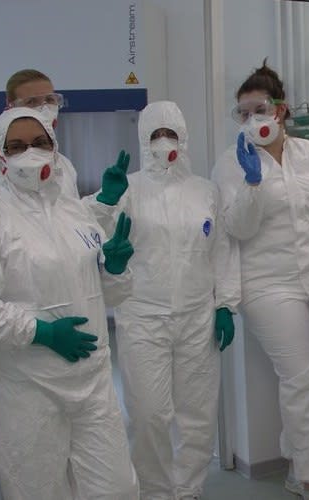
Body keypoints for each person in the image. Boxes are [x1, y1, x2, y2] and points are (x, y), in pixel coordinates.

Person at [0, 107, 138, 499]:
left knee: (116, 489)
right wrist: (39, 332)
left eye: (40, 143)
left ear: (54, 148)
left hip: (92, 381)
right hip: (27, 388)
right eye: (17, 146)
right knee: (38, 491)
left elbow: (109, 294)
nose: (30, 152)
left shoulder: (75, 213)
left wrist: (114, 269)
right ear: (0, 157)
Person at [85, 101, 239, 500]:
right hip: (142, 316)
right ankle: (154, 491)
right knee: (150, 414)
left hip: (197, 317)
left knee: (198, 415)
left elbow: (221, 251)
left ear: (184, 139)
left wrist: (226, 304)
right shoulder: (128, 189)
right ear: (143, 140)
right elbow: (86, 228)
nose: (165, 143)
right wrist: (105, 198)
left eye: (172, 134)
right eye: (156, 135)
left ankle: (188, 489)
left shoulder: (204, 191)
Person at [211, 61, 309, 500]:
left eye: (259, 109)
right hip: (267, 283)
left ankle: (295, 461)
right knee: (302, 377)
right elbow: (238, 230)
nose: (252, 120)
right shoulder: (231, 162)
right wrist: (251, 184)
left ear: (280, 110)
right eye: (243, 114)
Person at [0, 69, 81, 201]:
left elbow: (74, 214)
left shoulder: (64, 164)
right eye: (32, 102)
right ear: (11, 106)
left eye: (49, 99)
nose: (45, 108)